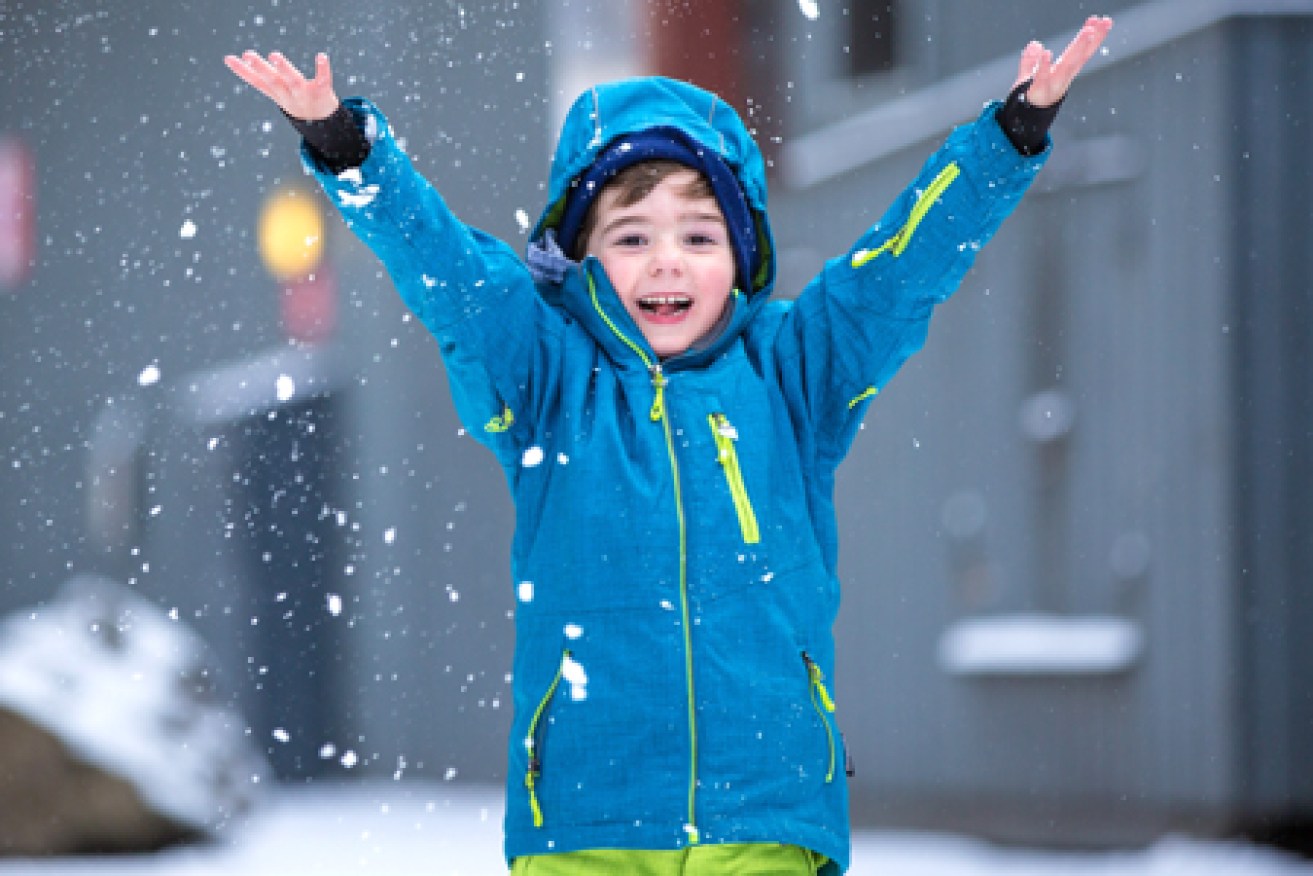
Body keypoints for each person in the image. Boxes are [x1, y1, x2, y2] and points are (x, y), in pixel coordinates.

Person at [225, 15, 1113, 875]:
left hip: (764, 812)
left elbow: (901, 268)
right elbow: (449, 272)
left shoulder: (794, 373)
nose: (666, 263)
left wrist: (1008, 138)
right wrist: (349, 149)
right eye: (631, 236)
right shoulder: (542, 380)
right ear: (580, 255)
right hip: (585, 817)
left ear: (742, 252)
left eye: (698, 235)